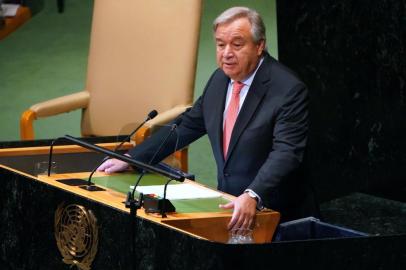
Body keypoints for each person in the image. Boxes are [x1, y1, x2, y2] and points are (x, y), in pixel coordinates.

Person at [98, 6, 317, 230]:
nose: (227, 53)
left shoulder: (287, 89)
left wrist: (253, 194)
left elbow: (286, 152)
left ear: (259, 45)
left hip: (278, 215)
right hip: (228, 208)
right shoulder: (219, 80)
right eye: (221, 45)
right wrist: (133, 158)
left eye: (237, 45)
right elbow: (187, 125)